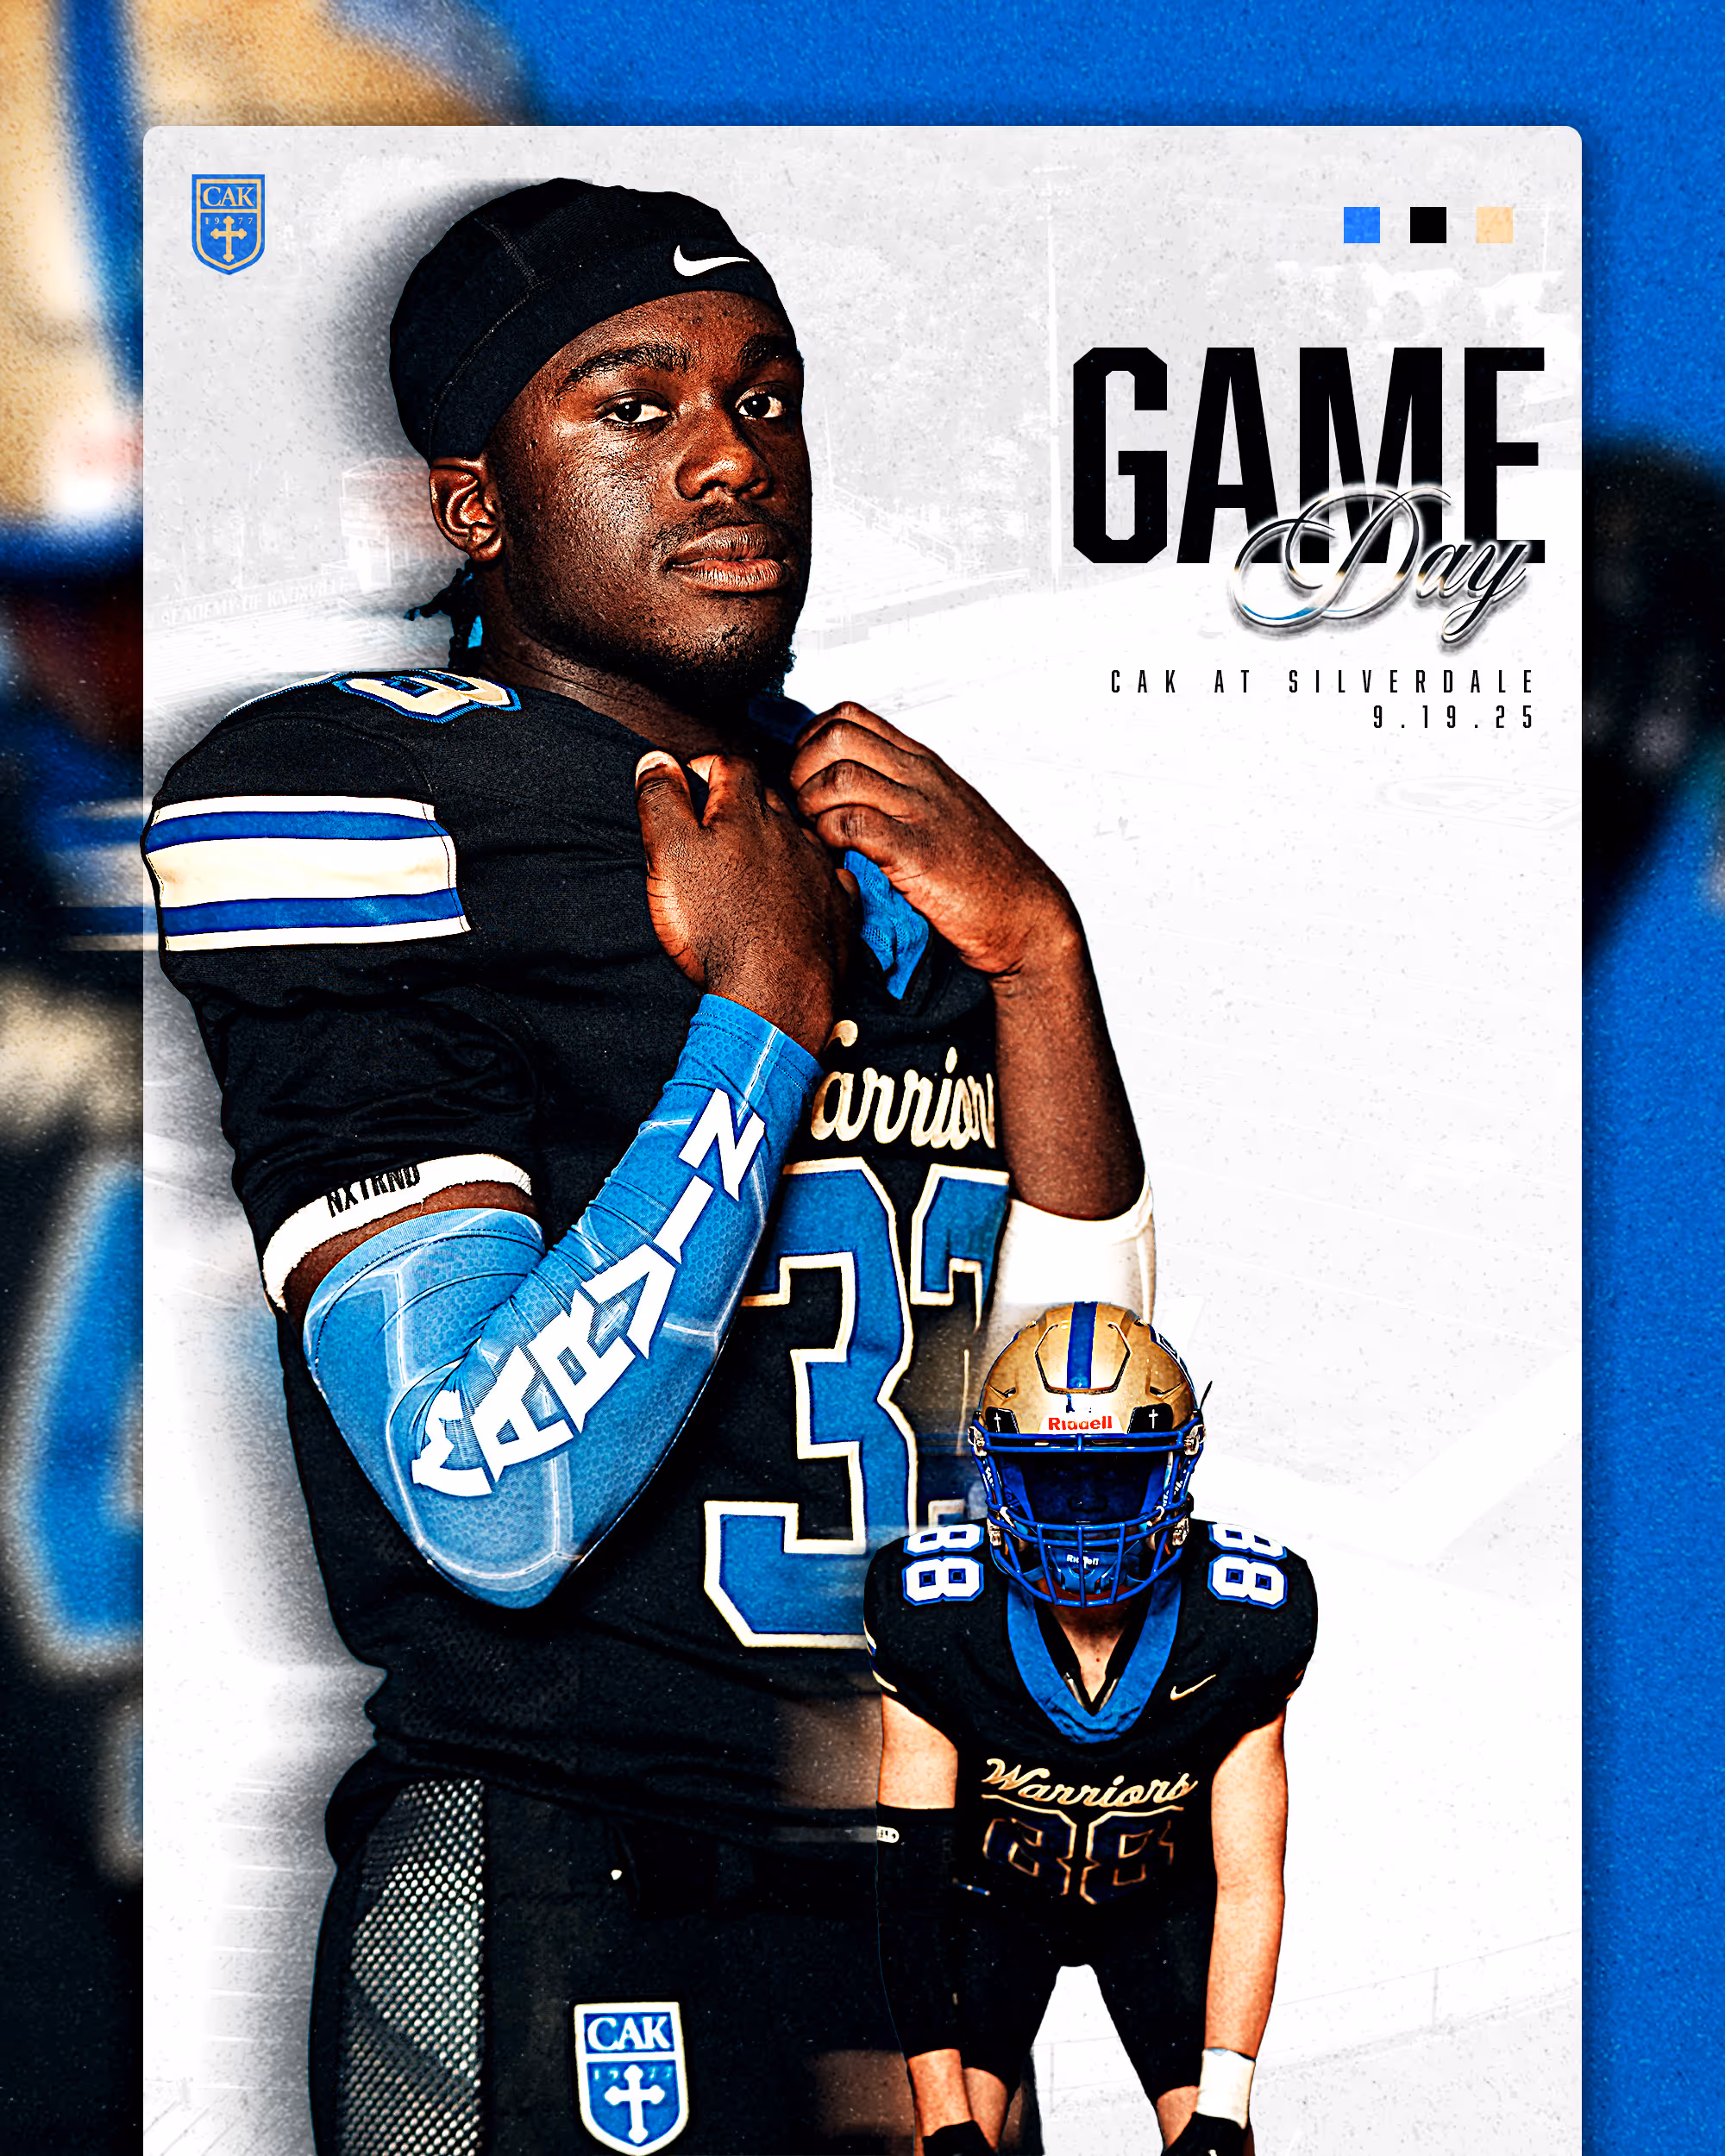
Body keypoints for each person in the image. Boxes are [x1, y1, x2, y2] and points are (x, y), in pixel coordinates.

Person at [145, 177, 1157, 2153]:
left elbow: (1076, 1435)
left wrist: (1040, 964)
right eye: (634, 402)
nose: (725, 453)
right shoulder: (356, 789)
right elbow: (488, 1488)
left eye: (764, 398)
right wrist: (757, 1021)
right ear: (473, 503)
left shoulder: (887, 830)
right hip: (554, 1894)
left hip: (909, 1914)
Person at [865, 1303, 1316, 2156]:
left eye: (1113, 1476)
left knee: (1219, 2144)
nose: (1083, 1517)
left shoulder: (1243, 1620)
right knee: (945, 2145)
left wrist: (1223, 2108)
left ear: (1174, 1467)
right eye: (1051, 1477)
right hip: (995, 1904)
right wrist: (944, 2119)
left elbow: (1250, 1882)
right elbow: (912, 1883)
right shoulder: (935, 1616)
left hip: (1157, 1905)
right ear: (996, 1473)